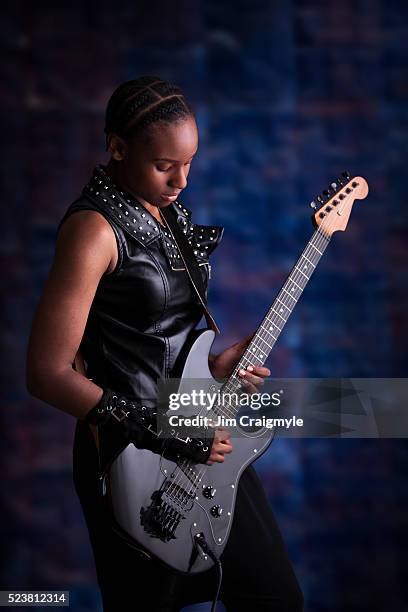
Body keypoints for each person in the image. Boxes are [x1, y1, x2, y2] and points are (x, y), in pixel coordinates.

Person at [26, 76, 303, 612]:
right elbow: (46, 373)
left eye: (189, 163)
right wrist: (165, 435)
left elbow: (165, 333)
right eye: (164, 165)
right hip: (134, 453)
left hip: (200, 425)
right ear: (117, 148)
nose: (180, 180)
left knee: (275, 599)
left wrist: (215, 365)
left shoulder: (165, 210)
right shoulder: (94, 231)